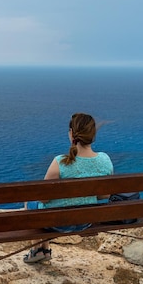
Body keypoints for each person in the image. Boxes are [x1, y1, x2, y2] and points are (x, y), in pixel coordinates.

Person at [23, 112, 113, 263]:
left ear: (71, 134)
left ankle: (39, 249)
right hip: (87, 221)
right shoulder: (105, 160)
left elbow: (43, 198)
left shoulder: (60, 162)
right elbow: (104, 196)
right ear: (93, 134)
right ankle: (42, 250)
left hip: (58, 224)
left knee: (31, 204)